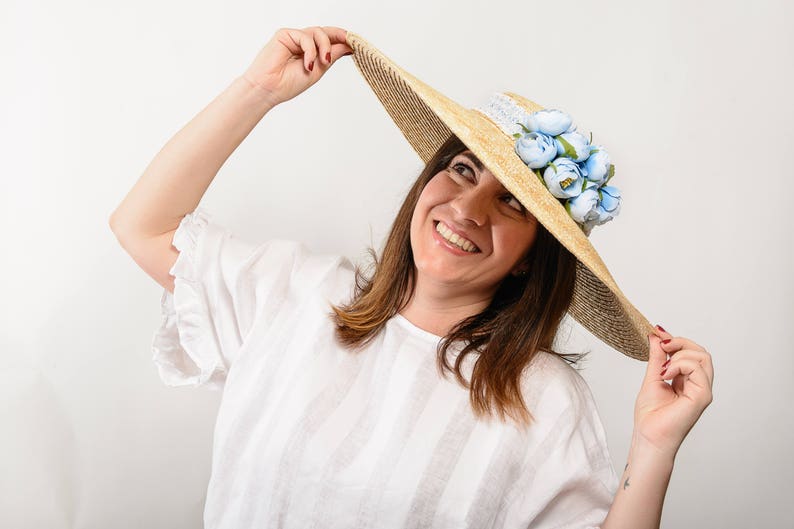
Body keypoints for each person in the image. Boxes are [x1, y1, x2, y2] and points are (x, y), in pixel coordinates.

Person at [109, 26, 714, 529]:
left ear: (534, 255)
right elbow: (143, 226)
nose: (468, 209)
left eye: (513, 205)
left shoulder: (542, 399)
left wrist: (655, 447)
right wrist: (256, 90)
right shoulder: (293, 293)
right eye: (461, 170)